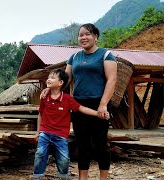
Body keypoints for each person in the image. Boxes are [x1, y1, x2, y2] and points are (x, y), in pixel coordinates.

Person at [41, 23, 117, 180]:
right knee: (82, 144)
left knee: (100, 144)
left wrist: (103, 104)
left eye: (87, 34)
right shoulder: (74, 57)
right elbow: (65, 80)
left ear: (96, 36)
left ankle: (103, 178)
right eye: (80, 35)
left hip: (98, 104)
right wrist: (51, 88)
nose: (83, 37)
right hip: (78, 105)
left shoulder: (106, 55)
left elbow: (112, 80)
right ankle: (83, 177)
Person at [33, 69, 109, 180]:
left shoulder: (68, 99)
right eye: (48, 77)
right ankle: (38, 175)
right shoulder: (44, 97)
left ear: (60, 83)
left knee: (64, 158)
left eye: (53, 77)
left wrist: (98, 114)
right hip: (45, 132)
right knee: (40, 153)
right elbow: (40, 114)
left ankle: (63, 175)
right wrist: (38, 132)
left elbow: (81, 108)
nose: (49, 79)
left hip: (61, 135)